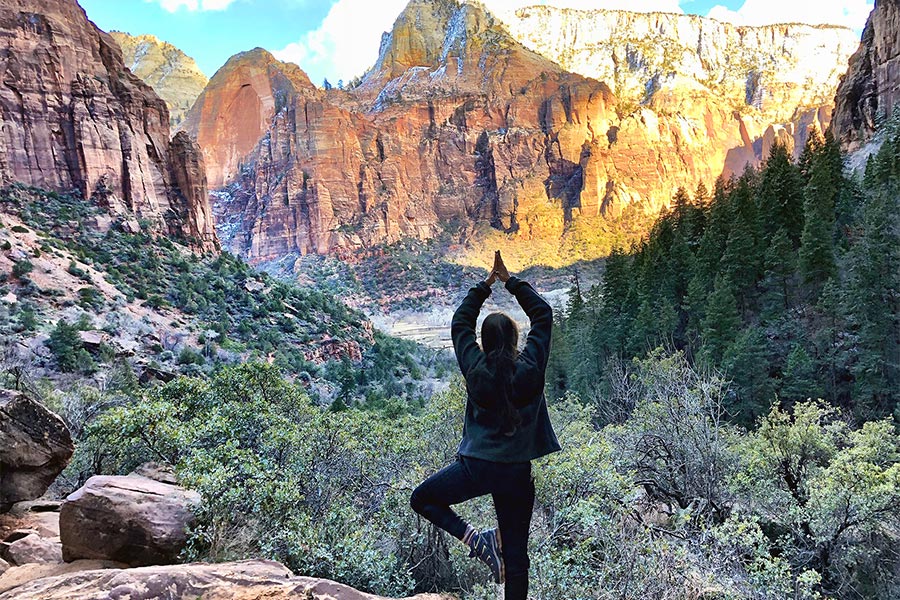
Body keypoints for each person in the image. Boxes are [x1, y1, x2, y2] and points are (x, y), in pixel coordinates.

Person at [410, 250, 561, 599]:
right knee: (517, 559)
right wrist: (511, 282)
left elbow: (460, 324)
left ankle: (476, 540)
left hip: (477, 467)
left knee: (423, 498)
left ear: (484, 342)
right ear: (515, 340)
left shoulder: (476, 369)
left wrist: (484, 286)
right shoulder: (530, 369)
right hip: (516, 473)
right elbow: (543, 314)